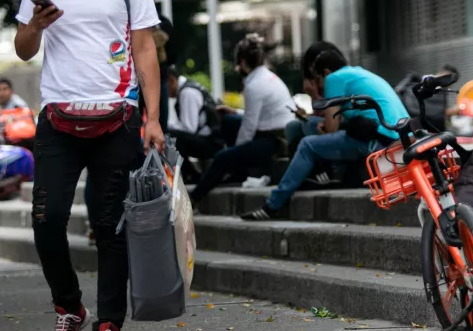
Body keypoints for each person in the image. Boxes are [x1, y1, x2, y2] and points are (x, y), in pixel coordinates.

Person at [14, 0, 164, 331]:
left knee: (110, 228)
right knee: (47, 221)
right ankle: (69, 307)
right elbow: (22, 49)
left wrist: (153, 117)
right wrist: (35, 25)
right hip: (58, 119)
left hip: (117, 116)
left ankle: (108, 328)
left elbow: (144, 46)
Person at [241, 50, 409, 221]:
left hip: (380, 142)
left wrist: (314, 95)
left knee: (308, 144)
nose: (319, 85)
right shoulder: (356, 73)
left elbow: (331, 128)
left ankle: (273, 205)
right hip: (397, 137)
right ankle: (324, 174)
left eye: (318, 79)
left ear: (326, 73)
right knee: (311, 125)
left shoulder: (334, 78)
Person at [189, 34, 293, 206]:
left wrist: (234, 155)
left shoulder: (254, 85)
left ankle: (195, 198)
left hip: (272, 140)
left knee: (222, 158)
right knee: (229, 120)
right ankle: (239, 172)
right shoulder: (266, 76)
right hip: (273, 131)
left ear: (243, 63)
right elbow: (255, 117)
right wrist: (235, 111)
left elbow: (249, 128)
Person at [166, 65, 222, 182]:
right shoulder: (187, 88)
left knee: (169, 136)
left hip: (211, 142)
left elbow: (188, 128)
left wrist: (166, 127)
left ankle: (191, 175)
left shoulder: (187, 93)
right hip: (210, 139)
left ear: (171, 80)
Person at [149, 0, 176, 132]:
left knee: (161, 126)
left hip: (160, 80)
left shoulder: (163, 22)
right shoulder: (129, 20)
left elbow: (173, 55)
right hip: (136, 82)